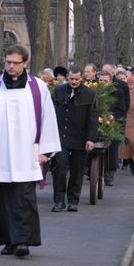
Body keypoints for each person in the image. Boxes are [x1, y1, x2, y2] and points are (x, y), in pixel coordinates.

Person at [0, 44, 61, 258]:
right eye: (8, 62)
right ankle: (8, 241)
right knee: (3, 198)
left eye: (15, 63)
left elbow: (48, 119)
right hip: (0, 153)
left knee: (24, 197)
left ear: (25, 63)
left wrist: (45, 152)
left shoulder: (38, 88)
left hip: (27, 152)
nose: (11, 66)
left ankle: (23, 241)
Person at [51, 66, 98, 212]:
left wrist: (90, 139)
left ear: (81, 78)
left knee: (77, 172)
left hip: (80, 137)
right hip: (61, 136)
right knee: (60, 169)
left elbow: (93, 118)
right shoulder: (59, 91)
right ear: (67, 77)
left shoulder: (90, 94)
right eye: (71, 79)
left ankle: (73, 201)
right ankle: (59, 201)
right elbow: (51, 112)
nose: (74, 81)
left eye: (77, 79)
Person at [99, 68, 128, 186]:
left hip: (112, 123)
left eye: (105, 81)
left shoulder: (118, 92)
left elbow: (121, 109)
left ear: (110, 82)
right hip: (97, 122)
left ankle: (109, 173)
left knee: (112, 148)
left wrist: (112, 117)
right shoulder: (94, 92)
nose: (102, 83)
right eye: (101, 80)